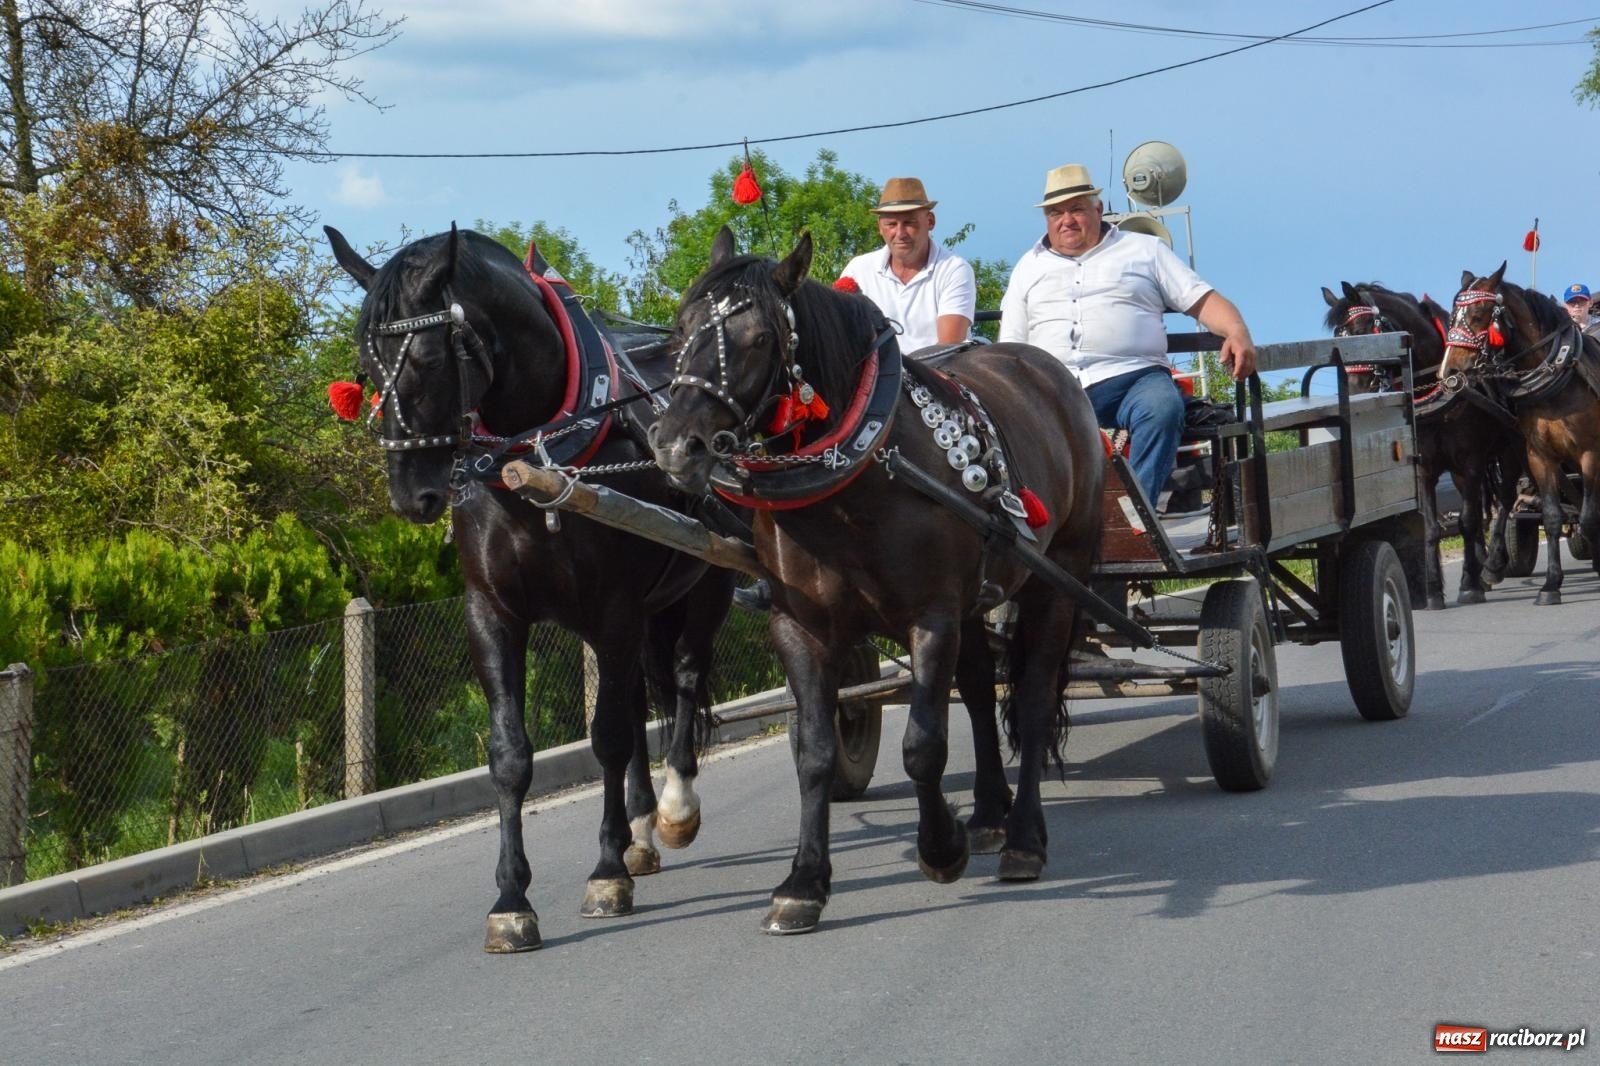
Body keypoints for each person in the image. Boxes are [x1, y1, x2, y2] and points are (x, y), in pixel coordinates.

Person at [999, 162, 1257, 507]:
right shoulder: (1028, 267)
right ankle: (1043, 528)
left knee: (1162, 408)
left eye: (1076, 209)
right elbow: (1011, 348)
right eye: (1056, 212)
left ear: (1098, 208)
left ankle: (1133, 519)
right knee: (1006, 423)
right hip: (1053, 386)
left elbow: (1204, 301)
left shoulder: (1144, 251)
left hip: (1132, 378)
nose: (1067, 220)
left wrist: (1237, 331)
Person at [838, 177, 976, 353]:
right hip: (874, 376)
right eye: (891, 224)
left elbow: (948, 350)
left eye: (909, 223)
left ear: (930, 221)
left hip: (933, 375)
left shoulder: (954, 269)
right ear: (880, 227)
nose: (900, 233)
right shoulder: (858, 269)